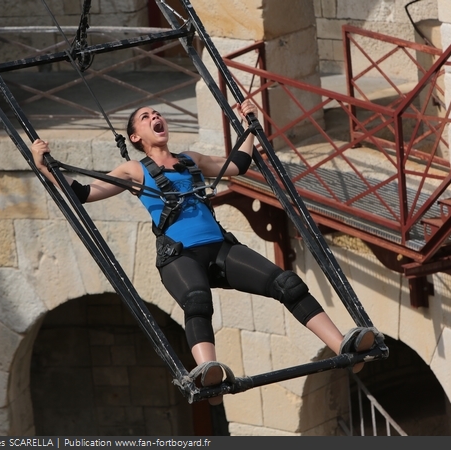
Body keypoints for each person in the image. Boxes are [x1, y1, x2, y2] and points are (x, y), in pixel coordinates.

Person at [31, 101, 378, 405]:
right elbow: (83, 192)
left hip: (220, 249)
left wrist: (249, 126)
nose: (156, 118)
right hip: (179, 257)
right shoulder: (133, 171)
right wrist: (45, 166)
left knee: (287, 283)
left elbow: (237, 164)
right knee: (197, 301)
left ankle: (342, 346)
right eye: (146, 117)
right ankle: (207, 373)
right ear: (136, 136)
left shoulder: (191, 160)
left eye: (158, 114)